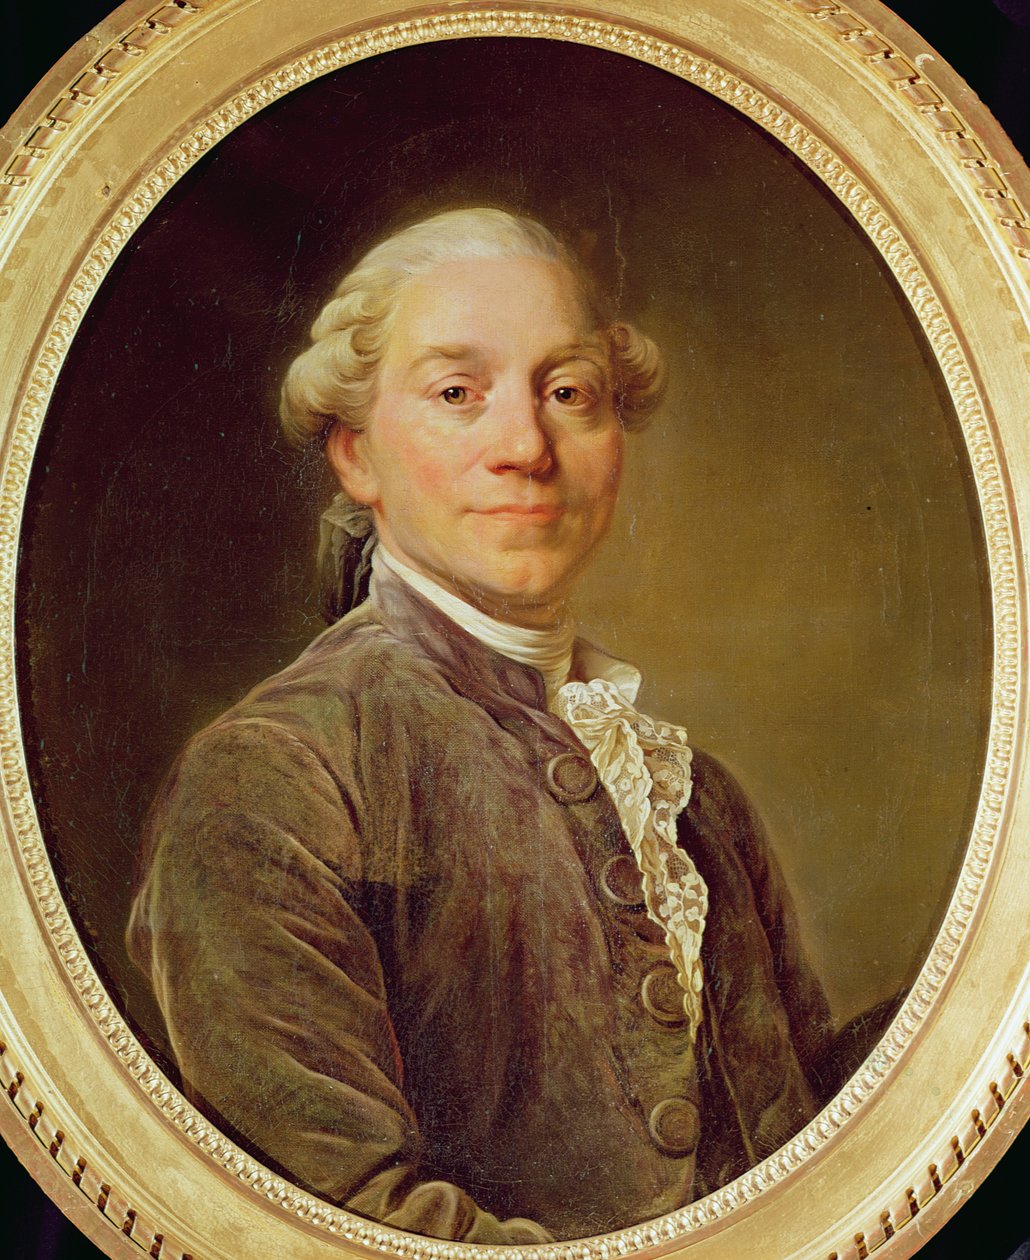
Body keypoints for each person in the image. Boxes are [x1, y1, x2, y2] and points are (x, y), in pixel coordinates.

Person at [127, 208, 838, 1244]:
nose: (525, 447)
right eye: (458, 394)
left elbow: (819, 1143)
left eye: (568, 393)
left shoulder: (694, 798)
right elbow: (335, 1224)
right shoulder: (275, 776)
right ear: (357, 456)